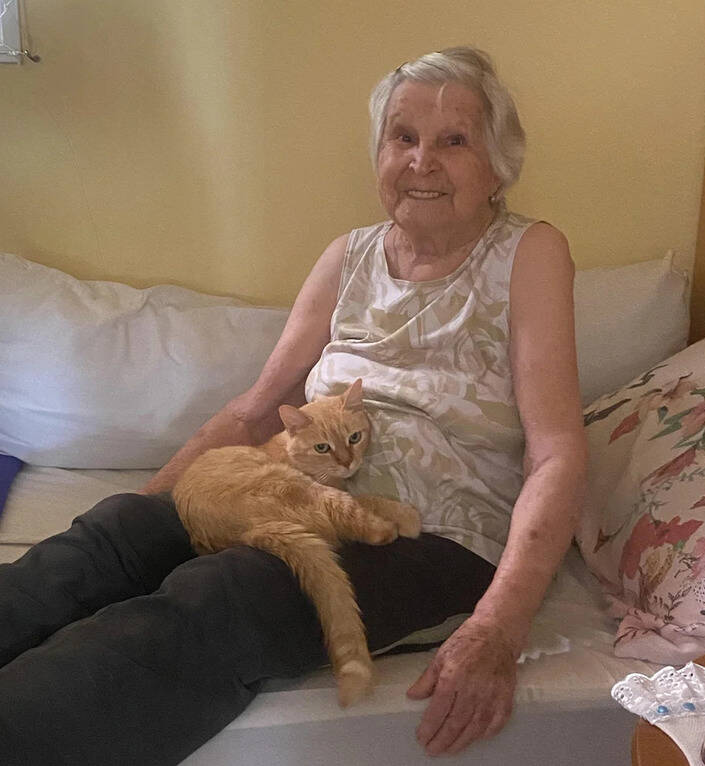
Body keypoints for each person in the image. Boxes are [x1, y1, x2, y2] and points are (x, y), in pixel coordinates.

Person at [0, 46, 587, 763]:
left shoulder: (530, 254)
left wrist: (499, 626)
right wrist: (148, 518)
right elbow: (257, 409)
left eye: (453, 141)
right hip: (290, 494)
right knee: (116, 531)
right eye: (403, 137)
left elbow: (556, 452)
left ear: (498, 166)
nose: (421, 162)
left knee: (228, 594)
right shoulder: (350, 255)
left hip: (430, 536)